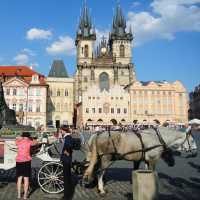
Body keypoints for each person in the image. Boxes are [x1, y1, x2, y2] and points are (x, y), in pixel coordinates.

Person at [15, 132, 38, 199]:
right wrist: (32, 138)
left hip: (18, 161)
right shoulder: (29, 141)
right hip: (26, 161)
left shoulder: (18, 141)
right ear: (28, 136)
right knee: (26, 178)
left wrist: (19, 138)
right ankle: (25, 196)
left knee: (19, 178)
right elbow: (36, 142)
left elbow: (15, 141)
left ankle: (19, 195)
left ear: (22, 136)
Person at [60, 127, 73, 200]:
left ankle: (67, 196)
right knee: (67, 178)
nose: (60, 132)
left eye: (61, 130)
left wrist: (66, 150)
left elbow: (69, 145)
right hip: (66, 159)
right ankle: (68, 194)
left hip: (66, 160)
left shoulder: (68, 137)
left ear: (64, 130)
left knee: (66, 178)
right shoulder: (67, 137)